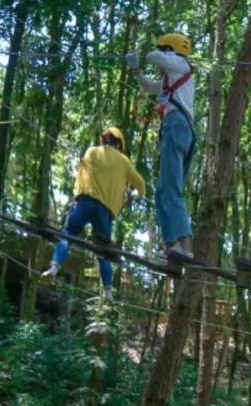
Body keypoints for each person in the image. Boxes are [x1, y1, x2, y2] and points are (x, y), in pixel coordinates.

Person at [42, 127, 146, 300]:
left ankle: (54, 268)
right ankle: (108, 291)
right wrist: (131, 196)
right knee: (102, 250)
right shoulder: (123, 161)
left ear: (103, 140)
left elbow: (80, 175)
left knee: (67, 235)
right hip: (104, 211)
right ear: (119, 145)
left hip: (84, 202)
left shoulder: (91, 151)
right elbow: (141, 185)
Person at [125, 33, 196, 262]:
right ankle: (171, 245)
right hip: (180, 132)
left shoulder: (180, 63)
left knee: (171, 191)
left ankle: (185, 246)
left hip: (176, 127)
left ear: (170, 49)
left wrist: (149, 52)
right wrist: (136, 70)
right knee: (162, 193)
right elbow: (148, 86)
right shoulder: (171, 79)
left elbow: (156, 57)